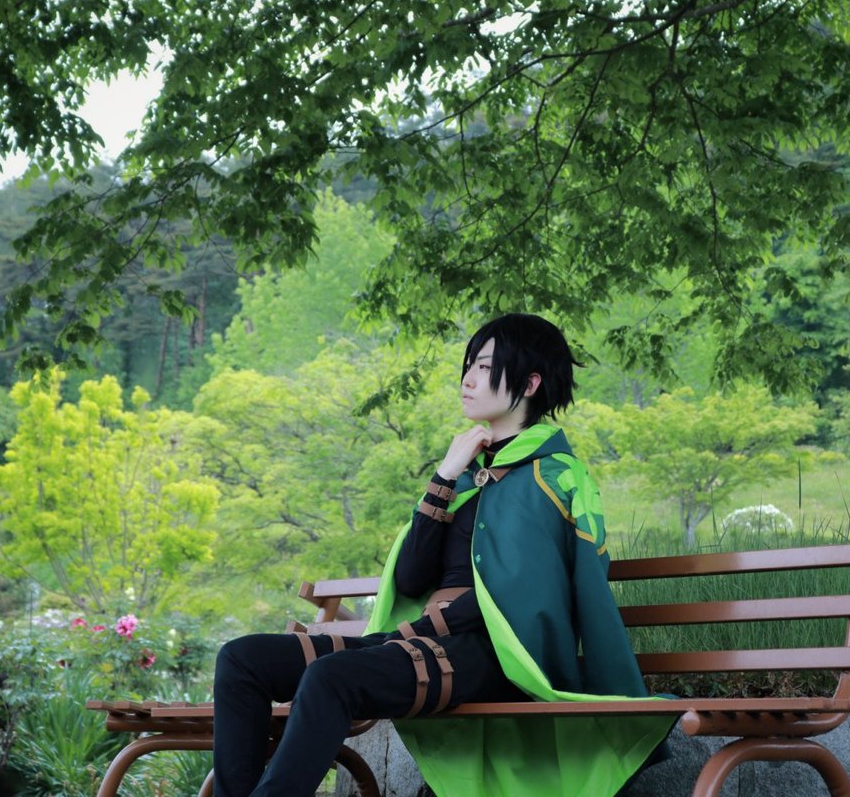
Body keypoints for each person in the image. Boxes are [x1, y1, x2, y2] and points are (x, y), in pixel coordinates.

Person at [212, 313, 672, 797]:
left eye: (485, 367)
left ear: (530, 383)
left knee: (332, 678)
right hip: (423, 642)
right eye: (469, 365)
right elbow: (411, 578)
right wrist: (445, 475)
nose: (468, 379)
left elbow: (533, 596)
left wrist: (429, 626)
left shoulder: (557, 477)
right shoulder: (464, 474)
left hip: (496, 656)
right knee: (243, 660)